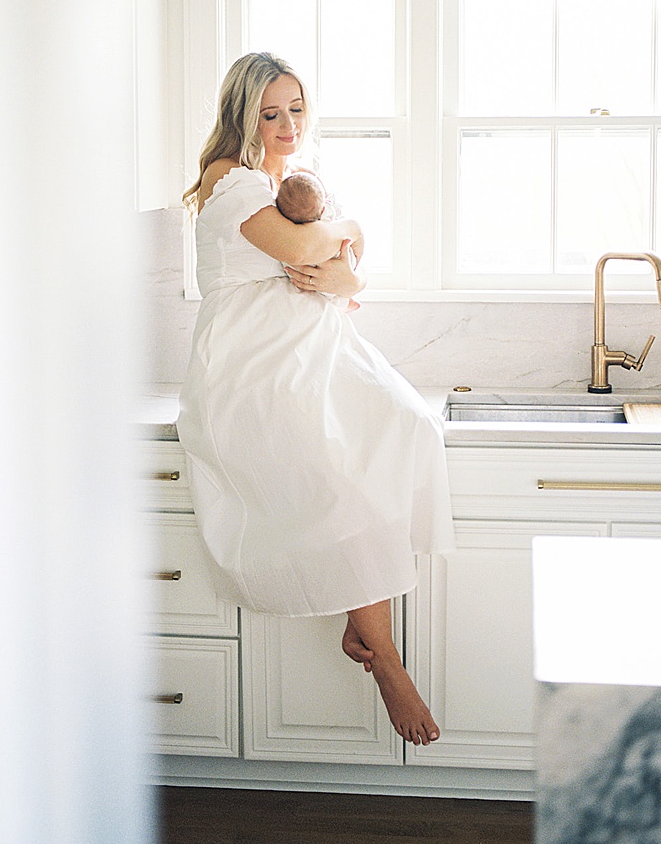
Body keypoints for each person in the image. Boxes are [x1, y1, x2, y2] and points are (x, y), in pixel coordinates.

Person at [177, 52, 455, 746]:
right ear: (243, 116)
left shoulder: (297, 181)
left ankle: (356, 616)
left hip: (321, 353)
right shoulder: (230, 181)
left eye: (296, 108)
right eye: (270, 113)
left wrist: (338, 268)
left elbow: (342, 277)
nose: (286, 124)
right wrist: (346, 233)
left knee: (407, 426)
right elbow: (305, 245)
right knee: (339, 482)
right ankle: (385, 657)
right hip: (254, 367)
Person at [275, 171, 361, 312]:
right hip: (330, 260)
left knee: (295, 271)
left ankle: (343, 302)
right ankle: (345, 303)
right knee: (345, 254)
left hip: (302, 271)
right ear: (322, 209)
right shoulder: (326, 216)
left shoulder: (285, 224)